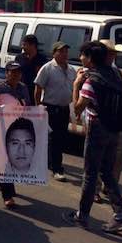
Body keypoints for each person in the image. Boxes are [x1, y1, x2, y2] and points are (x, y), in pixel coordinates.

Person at [64, 41, 122, 233]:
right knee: (107, 172)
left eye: (83, 55)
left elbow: (77, 109)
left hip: (97, 128)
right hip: (115, 130)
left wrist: (76, 85)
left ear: (91, 58)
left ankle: (82, 215)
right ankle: (120, 215)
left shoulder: (91, 80)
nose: (81, 58)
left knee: (90, 173)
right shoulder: (115, 74)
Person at [0, 61, 30, 208]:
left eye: (18, 72)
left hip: (16, 127)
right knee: (3, 159)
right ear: (6, 73)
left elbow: (28, 106)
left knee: (12, 158)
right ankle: (7, 195)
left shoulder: (23, 88)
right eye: (13, 72)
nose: (16, 75)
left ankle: (9, 186)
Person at [34, 41, 75, 181]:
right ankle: (57, 168)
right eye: (61, 51)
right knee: (53, 138)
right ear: (54, 53)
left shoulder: (71, 70)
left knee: (60, 138)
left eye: (66, 51)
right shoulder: (47, 68)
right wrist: (39, 106)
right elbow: (38, 88)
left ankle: (50, 163)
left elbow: (74, 89)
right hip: (50, 108)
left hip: (64, 109)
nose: (64, 54)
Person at [96, 39, 122, 201]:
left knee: (116, 157)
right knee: (98, 158)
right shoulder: (95, 71)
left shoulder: (115, 71)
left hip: (116, 121)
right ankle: (93, 190)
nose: (113, 56)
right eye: (110, 52)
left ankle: (110, 188)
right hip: (100, 122)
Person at [15, 34, 46, 103]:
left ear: (33, 45)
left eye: (25, 45)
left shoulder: (42, 59)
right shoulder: (19, 58)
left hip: (34, 92)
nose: (22, 47)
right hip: (20, 92)